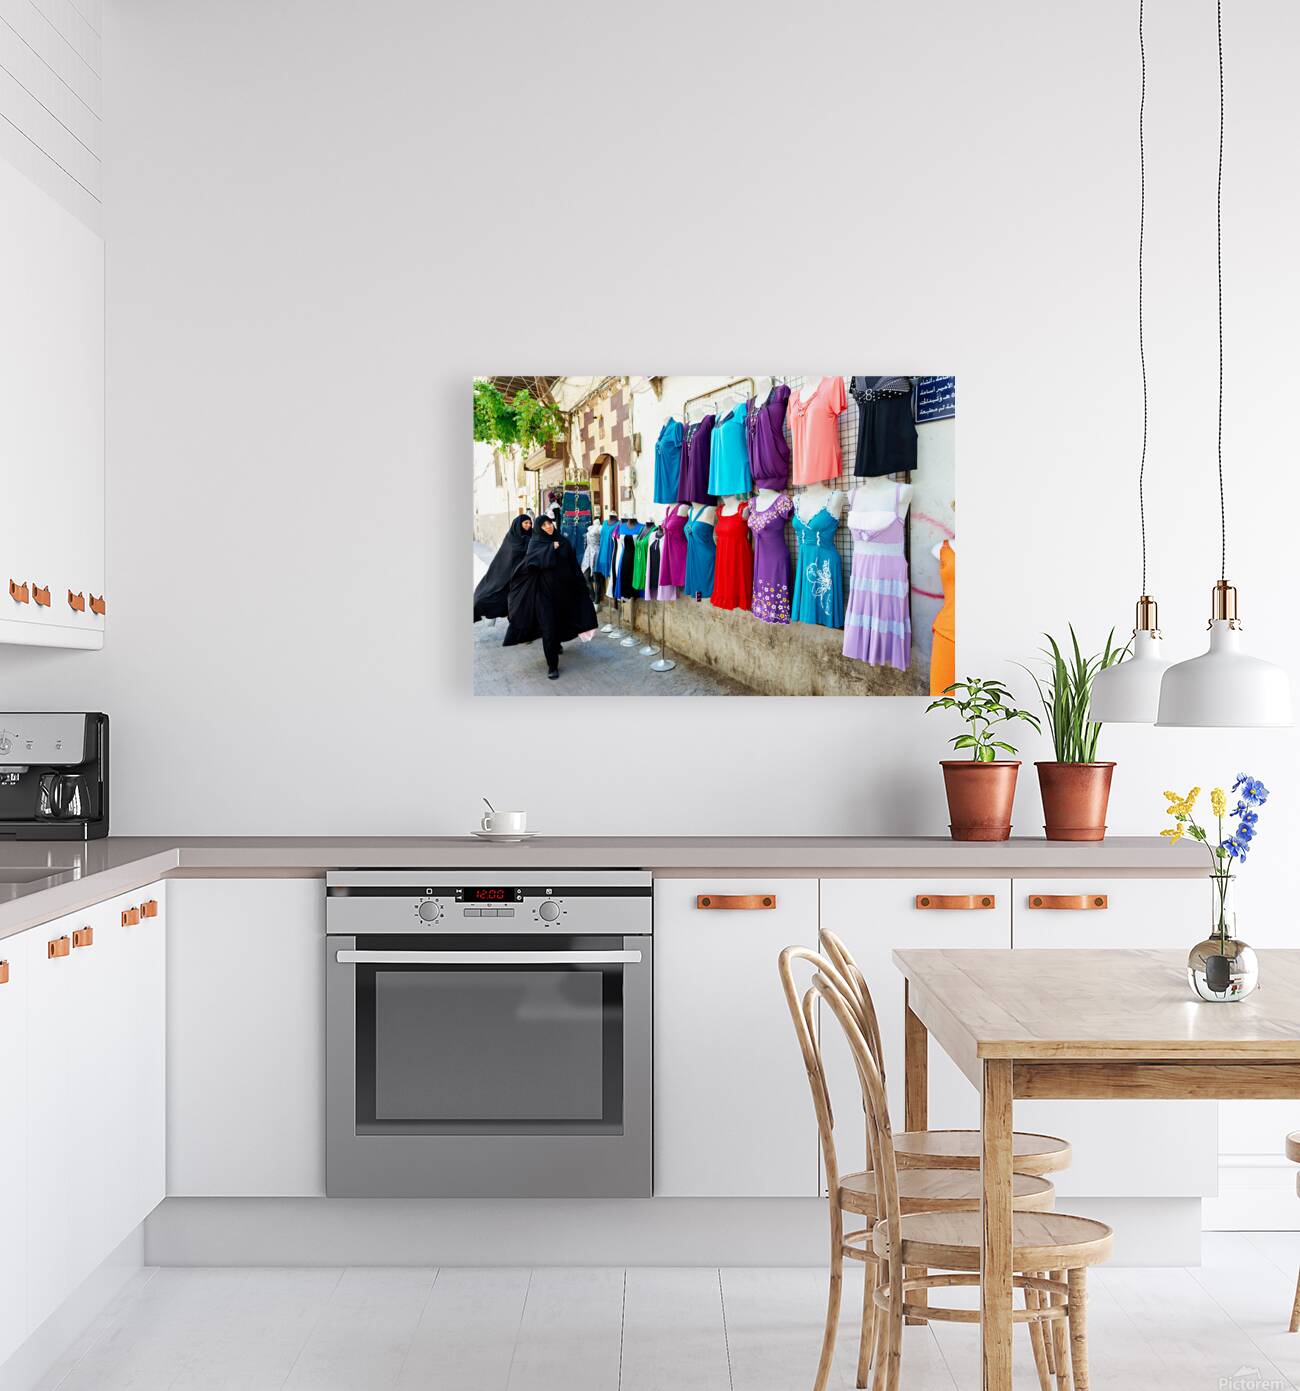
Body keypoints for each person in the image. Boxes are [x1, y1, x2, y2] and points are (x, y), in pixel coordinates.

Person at [503, 515, 598, 680]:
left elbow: (573, 565)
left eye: (549, 523)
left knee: (561, 622)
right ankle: (552, 666)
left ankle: (557, 643)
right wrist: (549, 549)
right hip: (543, 595)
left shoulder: (563, 541)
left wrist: (583, 586)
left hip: (563, 593)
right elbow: (532, 563)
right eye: (544, 525)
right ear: (539, 528)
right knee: (548, 627)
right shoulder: (535, 543)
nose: (548, 526)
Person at [473, 514, 532, 623]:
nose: (528, 525)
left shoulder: (532, 537)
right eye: (526, 523)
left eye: (530, 523)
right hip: (507, 576)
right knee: (487, 598)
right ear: (518, 524)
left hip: (525, 577)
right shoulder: (511, 538)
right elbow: (503, 558)